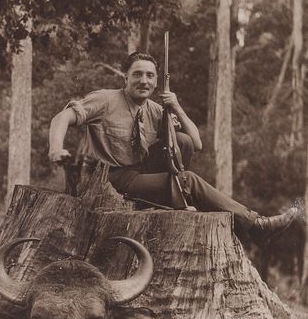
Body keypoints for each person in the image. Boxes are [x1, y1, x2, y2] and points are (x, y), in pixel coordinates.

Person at [49, 52, 297, 242]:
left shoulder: (154, 110)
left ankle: (173, 194)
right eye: (137, 74)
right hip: (110, 180)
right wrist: (55, 148)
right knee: (187, 180)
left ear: (156, 81)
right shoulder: (105, 99)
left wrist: (176, 107)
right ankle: (256, 226)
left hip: (139, 173)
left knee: (182, 141)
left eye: (149, 75)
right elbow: (62, 117)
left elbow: (196, 144)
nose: (143, 81)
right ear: (125, 77)